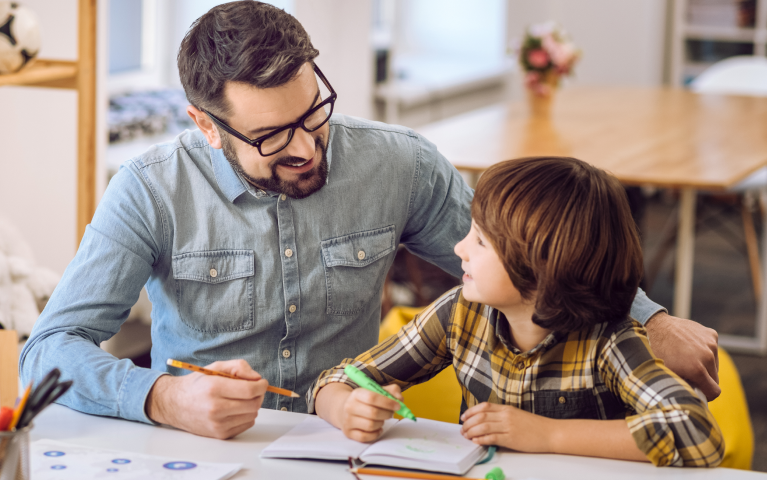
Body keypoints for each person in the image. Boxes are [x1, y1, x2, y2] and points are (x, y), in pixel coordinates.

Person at [19, 1, 720, 440]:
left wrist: (652, 319)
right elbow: (47, 349)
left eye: (312, 114)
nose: (303, 147)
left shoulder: (399, 164)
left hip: (348, 449)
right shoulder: (148, 190)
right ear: (205, 125)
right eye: (270, 138)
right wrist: (166, 398)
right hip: (207, 453)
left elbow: (532, 258)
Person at [310, 157, 724, 467]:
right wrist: (345, 407)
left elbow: (698, 432)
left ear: (542, 271)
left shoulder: (610, 340)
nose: (459, 249)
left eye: (481, 243)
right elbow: (335, 379)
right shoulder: (459, 314)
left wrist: (548, 434)